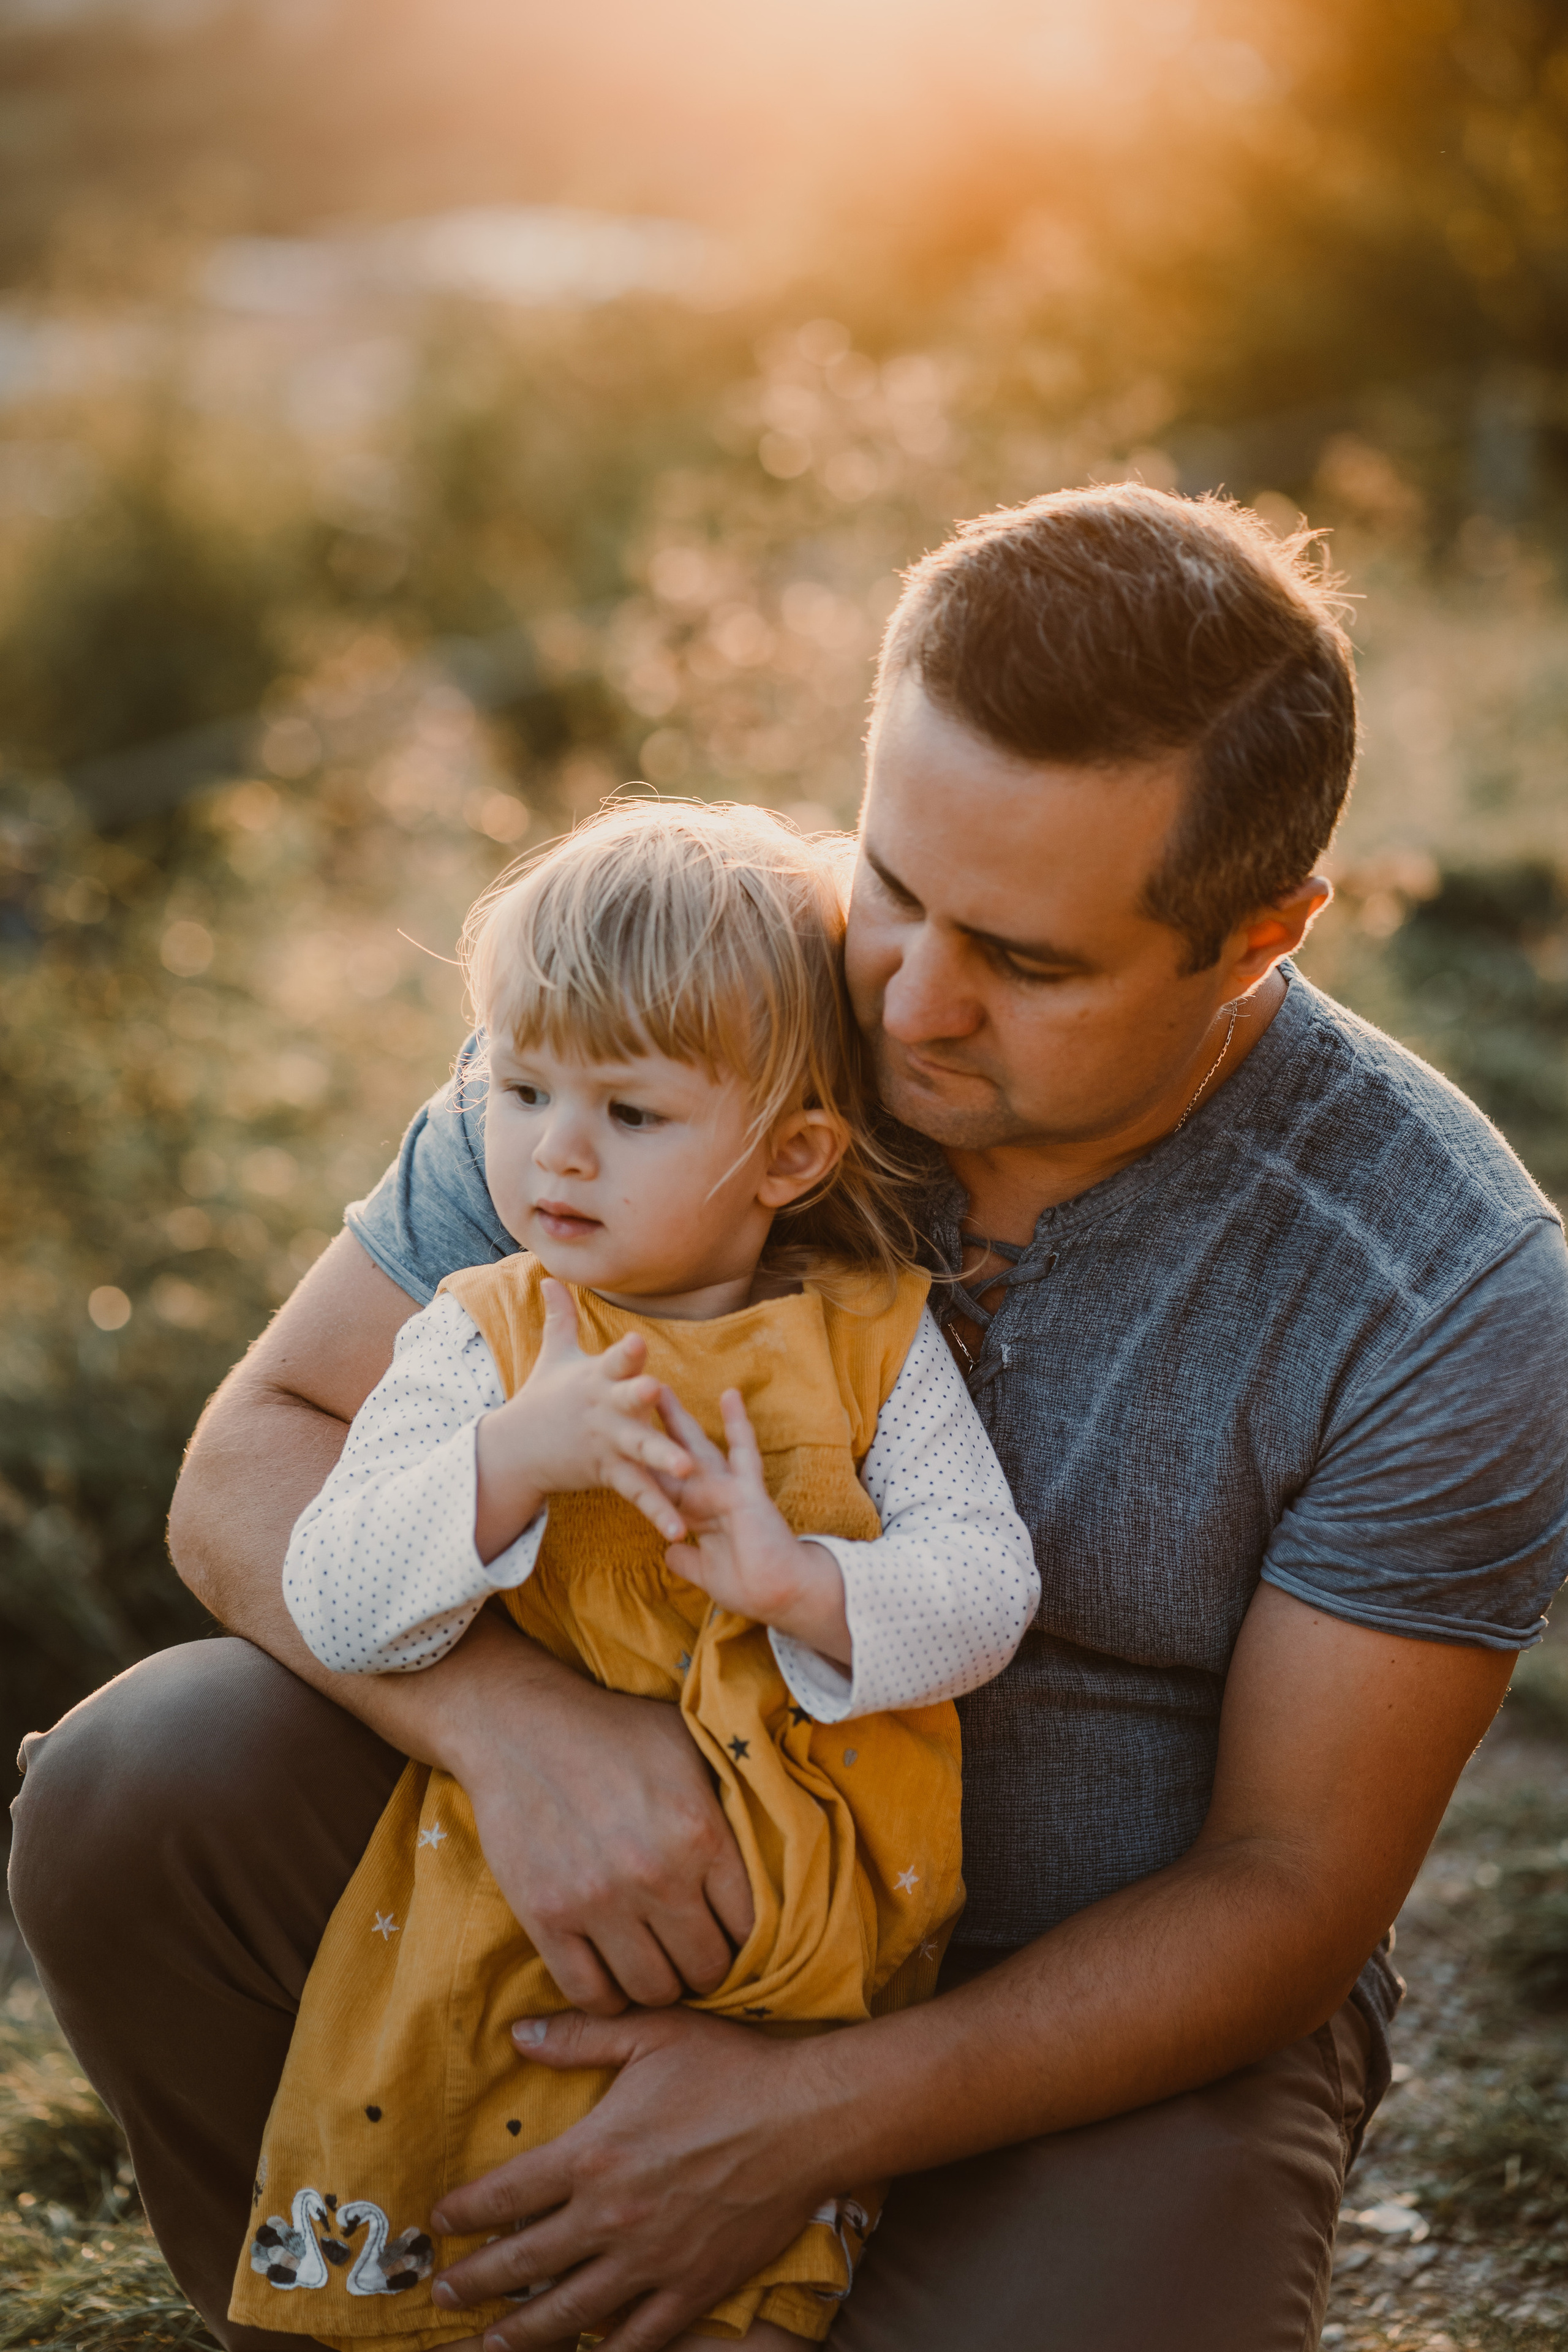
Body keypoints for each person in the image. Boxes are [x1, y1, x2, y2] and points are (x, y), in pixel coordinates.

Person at [12, 484, 1568, 2352]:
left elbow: (1294, 1889)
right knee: (138, 1785)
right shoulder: (684, 1012)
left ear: (1258, 934)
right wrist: (519, 1735)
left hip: (1083, 2019)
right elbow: (258, 1450)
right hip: (577, 1899)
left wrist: (797, 2119)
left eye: (1031, 961)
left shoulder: (1443, 1293)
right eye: (895, 883)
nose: (910, 998)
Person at [227, 799, 1036, 2352]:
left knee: (716, 2305)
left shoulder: (871, 1337)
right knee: (450, 2243)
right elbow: (334, 1594)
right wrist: (502, 1468)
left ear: (792, 1151)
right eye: (518, 1089)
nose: (555, 1151)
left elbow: (982, 1583)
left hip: (799, 1954)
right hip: (509, 1928)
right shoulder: (487, 1335)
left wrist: (800, 1582)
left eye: (632, 1112)